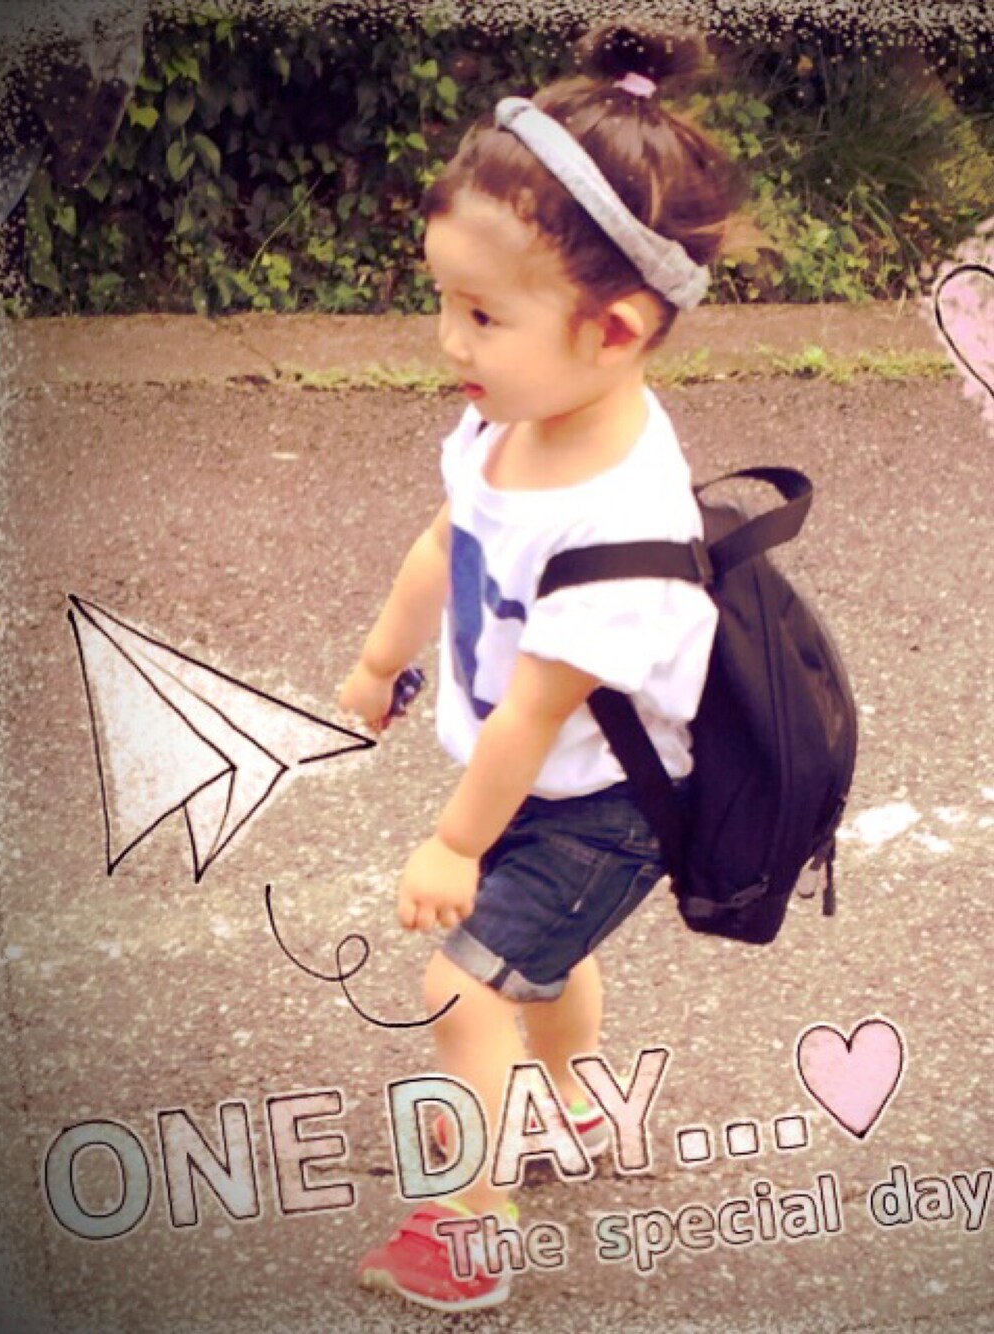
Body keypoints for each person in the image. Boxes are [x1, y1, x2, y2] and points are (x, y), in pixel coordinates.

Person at [340, 20, 752, 1313]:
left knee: (464, 981)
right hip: (543, 774)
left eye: (481, 314)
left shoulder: (619, 529)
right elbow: (447, 539)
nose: (448, 341)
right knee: (546, 962)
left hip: (605, 804)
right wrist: (381, 663)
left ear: (614, 330)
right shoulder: (509, 419)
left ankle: (468, 1229)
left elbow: (532, 710)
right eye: (443, 301)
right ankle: (574, 1102)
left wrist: (454, 843)